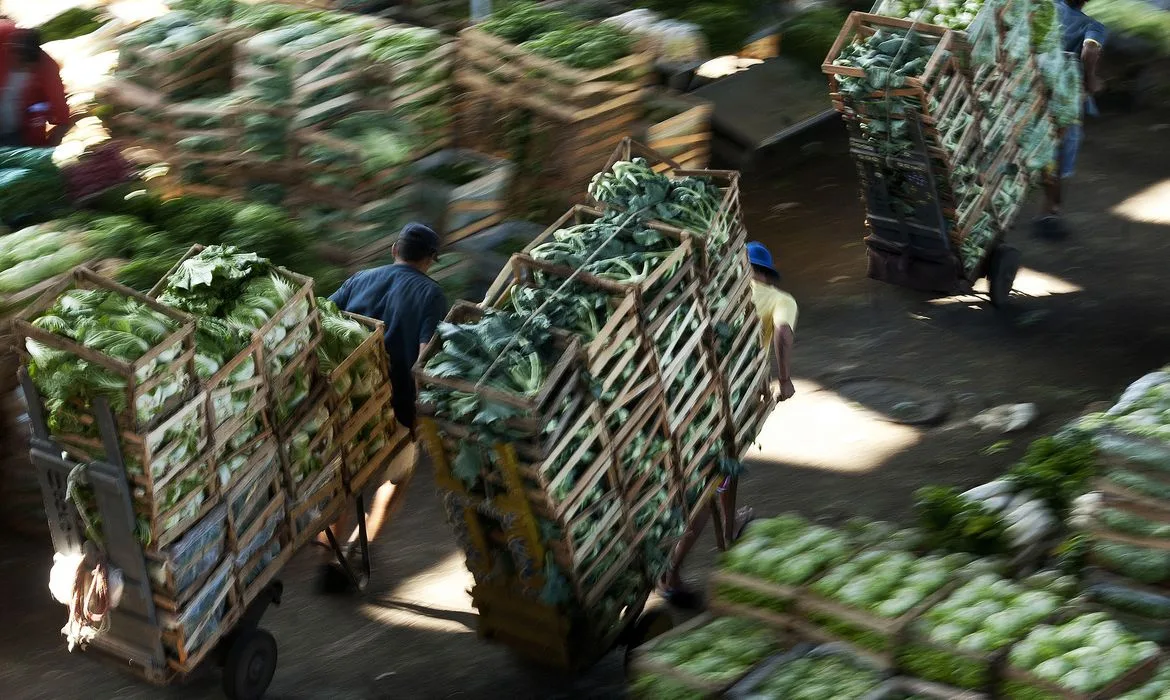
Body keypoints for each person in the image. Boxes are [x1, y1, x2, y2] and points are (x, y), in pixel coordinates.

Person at [659, 241, 798, 609]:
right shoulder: (780, 299)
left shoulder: (716, 290)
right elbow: (783, 333)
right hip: (725, 404)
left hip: (687, 396)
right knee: (707, 486)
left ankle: (730, 526)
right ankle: (669, 574)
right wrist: (784, 379)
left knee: (728, 466)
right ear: (767, 273)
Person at [317, 223, 449, 592]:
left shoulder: (360, 278)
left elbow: (321, 322)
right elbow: (425, 357)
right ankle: (363, 544)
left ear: (394, 249)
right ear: (429, 261)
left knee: (345, 480)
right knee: (398, 476)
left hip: (344, 402)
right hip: (396, 407)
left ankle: (327, 554)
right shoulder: (432, 295)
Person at [1036, 0, 1105, 239]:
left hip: (1027, 88)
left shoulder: (1045, 7)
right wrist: (1090, 79)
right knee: (1059, 150)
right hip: (1062, 100)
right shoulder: (1092, 25)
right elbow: (1090, 49)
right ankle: (1050, 212)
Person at [0, 27, 71, 147]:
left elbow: (61, 113)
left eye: (26, 63)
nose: (20, 65)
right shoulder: (4, 55)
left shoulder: (47, 68)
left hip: (20, 134)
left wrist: (46, 149)